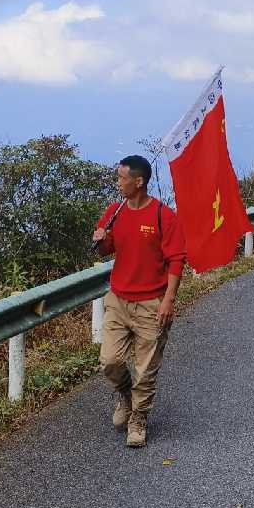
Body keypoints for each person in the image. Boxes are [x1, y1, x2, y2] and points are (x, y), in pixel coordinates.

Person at [92, 155, 186, 448]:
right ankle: (125, 395)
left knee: (146, 369)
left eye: (122, 178)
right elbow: (104, 250)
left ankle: (138, 420)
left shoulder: (162, 215)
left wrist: (168, 300)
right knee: (109, 361)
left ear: (138, 181)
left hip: (151, 303)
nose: (118, 183)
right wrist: (100, 239)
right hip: (118, 300)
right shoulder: (114, 212)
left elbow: (176, 259)